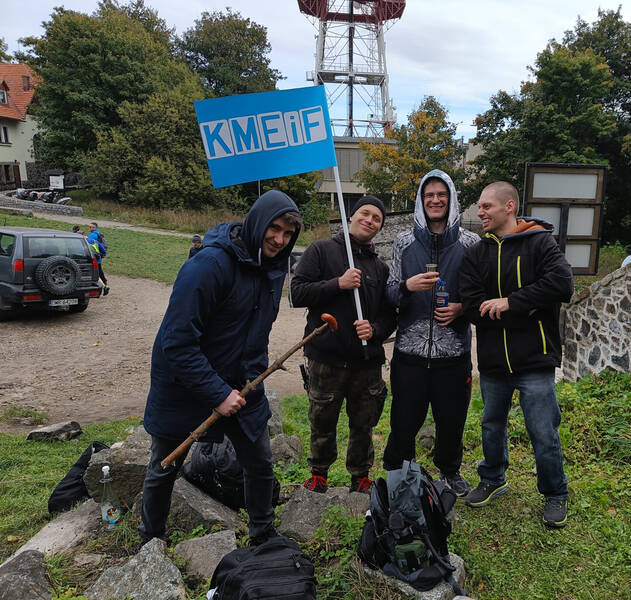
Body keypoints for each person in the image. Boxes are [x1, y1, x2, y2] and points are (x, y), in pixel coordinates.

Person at [138, 190, 302, 547]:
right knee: (164, 466)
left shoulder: (274, 269)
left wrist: (251, 380)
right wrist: (216, 392)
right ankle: (150, 540)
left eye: (288, 234)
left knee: (259, 462)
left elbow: (257, 333)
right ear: (256, 223)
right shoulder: (209, 265)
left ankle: (262, 535)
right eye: (274, 229)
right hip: (185, 385)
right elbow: (176, 342)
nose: (280, 240)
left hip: (242, 383)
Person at [459, 181, 573, 528]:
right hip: (494, 361)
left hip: (535, 359)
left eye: (486, 206)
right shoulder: (476, 253)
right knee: (491, 425)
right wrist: (530, 306)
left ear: (509, 206)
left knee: (543, 431)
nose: (480, 213)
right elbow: (472, 305)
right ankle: (493, 478)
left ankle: (555, 493)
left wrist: (511, 302)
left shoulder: (540, 242)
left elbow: (562, 285)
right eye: (480, 207)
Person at [382, 169, 480, 497]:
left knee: (452, 419)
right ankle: (400, 470)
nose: (435, 200)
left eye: (441, 195)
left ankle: (450, 469)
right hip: (409, 353)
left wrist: (461, 308)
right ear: (420, 201)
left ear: (451, 199)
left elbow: (480, 295)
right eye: (429, 195)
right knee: (403, 418)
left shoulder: (471, 243)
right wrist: (408, 286)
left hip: (454, 352)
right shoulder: (403, 242)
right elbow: (390, 293)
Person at [290, 196, 396, 494]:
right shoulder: (321, 250)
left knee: (364, 422)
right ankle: (319, 473)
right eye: (365, 213)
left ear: (380, 227)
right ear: (351, 216)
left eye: (377, 218)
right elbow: (297, 293)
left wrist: (374, 330)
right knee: (321, 418)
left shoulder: (380, 268)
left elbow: (390, 314)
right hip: (326, 357)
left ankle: (360, 475)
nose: (370, 220)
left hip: (366, 361)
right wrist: (338, 283)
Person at [86, 223, 109, 295]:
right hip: (98, 256)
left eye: (93, 227)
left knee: (95, 273)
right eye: (90, 227)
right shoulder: (99, 233)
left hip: (93, 257)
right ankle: (105, 283)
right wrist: (103, 254)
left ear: (96, 227)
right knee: (100, 271)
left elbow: (89, 244)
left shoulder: (92, 235)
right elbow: (101, 247)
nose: (91, 228)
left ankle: (102, 287)